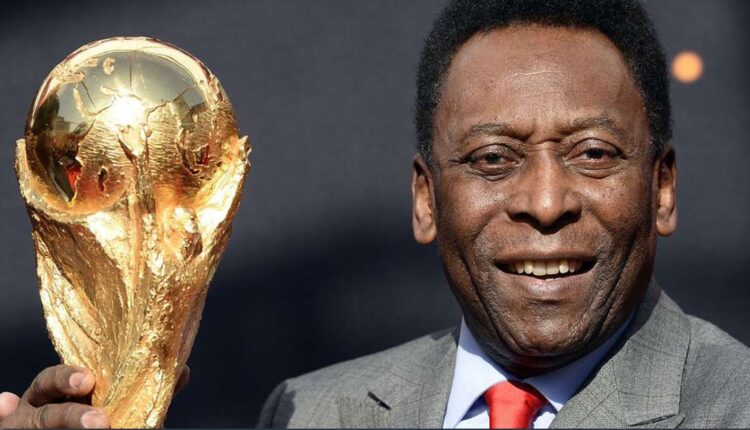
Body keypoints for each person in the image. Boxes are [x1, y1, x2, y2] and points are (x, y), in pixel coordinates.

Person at [1, 0, 749, 428]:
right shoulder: (309, 413)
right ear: (425, 200)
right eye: (493, 159)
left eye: (592, 154)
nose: (546, 203)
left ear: (663, 189)